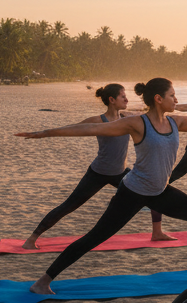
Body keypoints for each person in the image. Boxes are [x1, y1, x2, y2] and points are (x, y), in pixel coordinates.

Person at [16, 78, 187, 294]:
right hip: (133, 192)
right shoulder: (137, 123)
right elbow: (90, 128)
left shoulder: (176, 122)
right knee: (96, 237)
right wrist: (45, 133)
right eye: (172, 95)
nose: (176, 99)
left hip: (159, 191)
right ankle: (43, 281)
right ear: (158, 99)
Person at [22, 84, 172, 249]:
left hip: (120, 173)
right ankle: (31, 239)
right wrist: (43, 133)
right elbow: (73, 129)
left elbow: (151, 115)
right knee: (69, 205)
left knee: (153, 194)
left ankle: (157, 232)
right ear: (112, 100)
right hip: (98, 173)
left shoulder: (127, 118)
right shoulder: (98, 121)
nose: (126, 99)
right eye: (123, 96)